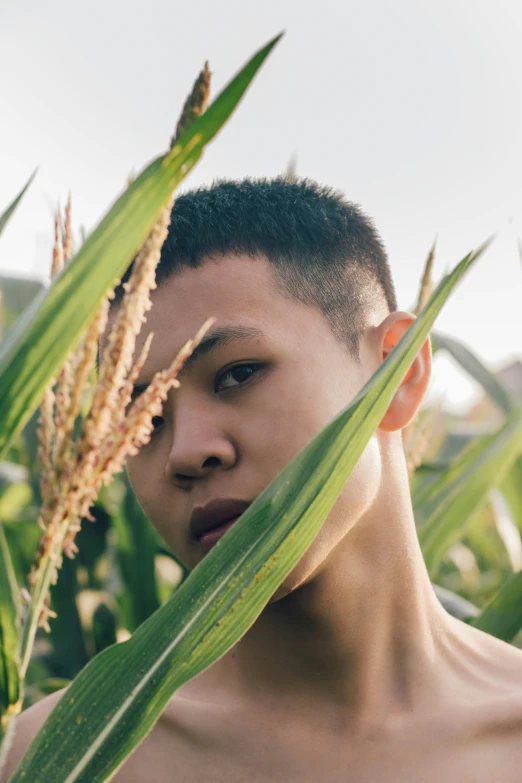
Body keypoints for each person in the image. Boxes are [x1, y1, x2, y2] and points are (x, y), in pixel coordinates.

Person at [3, 177, 522, 782]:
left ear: (397, 373)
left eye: (237, 374)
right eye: (141, 419)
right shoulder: (69, 758)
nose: (186, 453)